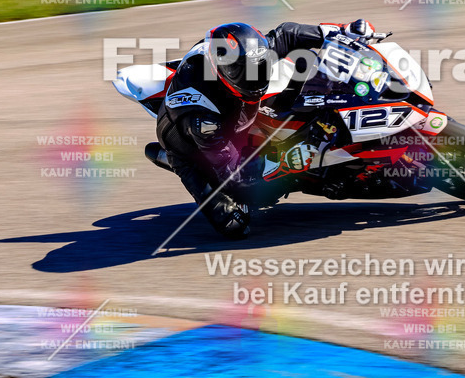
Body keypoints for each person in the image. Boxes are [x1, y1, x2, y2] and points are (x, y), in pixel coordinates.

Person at [147, 19, 376, 237]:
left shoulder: (247, 55)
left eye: (260, 67)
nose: (255, 78)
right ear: (222, 72)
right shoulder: (202, 119)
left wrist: (343, 31)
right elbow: (234, 177)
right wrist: (285, 163)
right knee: (236, 224)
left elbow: (287, 34)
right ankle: (171, 160)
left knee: (305, 79)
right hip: (198, 146)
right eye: (244, 74)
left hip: (236, 110)